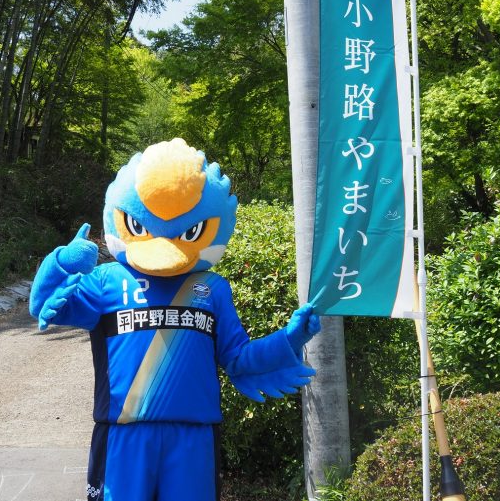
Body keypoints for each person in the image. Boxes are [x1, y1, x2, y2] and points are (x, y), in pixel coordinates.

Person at [30, 138, 320, 501]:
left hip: (193, 438)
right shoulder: (106, 281)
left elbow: (239, 360)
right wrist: (60, 263)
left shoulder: (213, 288)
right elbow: (43, 306)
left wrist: (289, 339)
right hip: (123, 435)